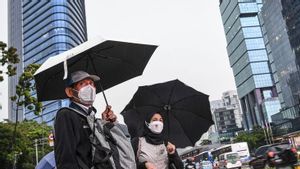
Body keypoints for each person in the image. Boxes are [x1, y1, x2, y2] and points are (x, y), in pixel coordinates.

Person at [54, 70, 117, 169]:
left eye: (91, 83)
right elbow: (66, 158)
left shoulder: (92, 116)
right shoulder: (66, 115)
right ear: (70, 92)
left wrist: (105, 124)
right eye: (82, 83)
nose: (89, 87)